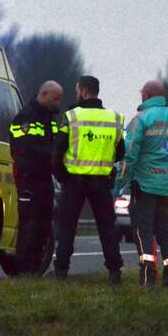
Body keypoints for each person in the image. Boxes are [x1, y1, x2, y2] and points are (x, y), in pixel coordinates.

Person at [118, 79, 168, 287]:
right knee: (166, 232)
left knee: (143, 232)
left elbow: (130, 155)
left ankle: (148, 277)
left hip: (143, 185)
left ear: (148, 95)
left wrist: (118, 184)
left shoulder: (140, 119)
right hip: (166, 186)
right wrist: (167, 161)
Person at [51, 75, 125, 284]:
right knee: (107, 228)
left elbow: (57, 152)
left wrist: (62, 176)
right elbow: (120, 153)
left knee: (67, 227)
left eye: (77, 91)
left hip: (74, 181)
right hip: (101, 182)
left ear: (83, 92)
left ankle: (61, 271)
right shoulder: (115, 119)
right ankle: (114, 273)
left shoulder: (72, 116)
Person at [9, 80, 62, 275]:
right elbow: (25, 147)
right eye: (55, 98)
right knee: (29, 224)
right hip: (28, 178)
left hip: (45, 179)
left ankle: (35, 268)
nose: (57, 103)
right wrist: (53, 155)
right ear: (44, 94)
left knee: (44, 225)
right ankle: (23, 269)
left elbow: (56, 143)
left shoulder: (49, 118)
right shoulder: (26, 117)